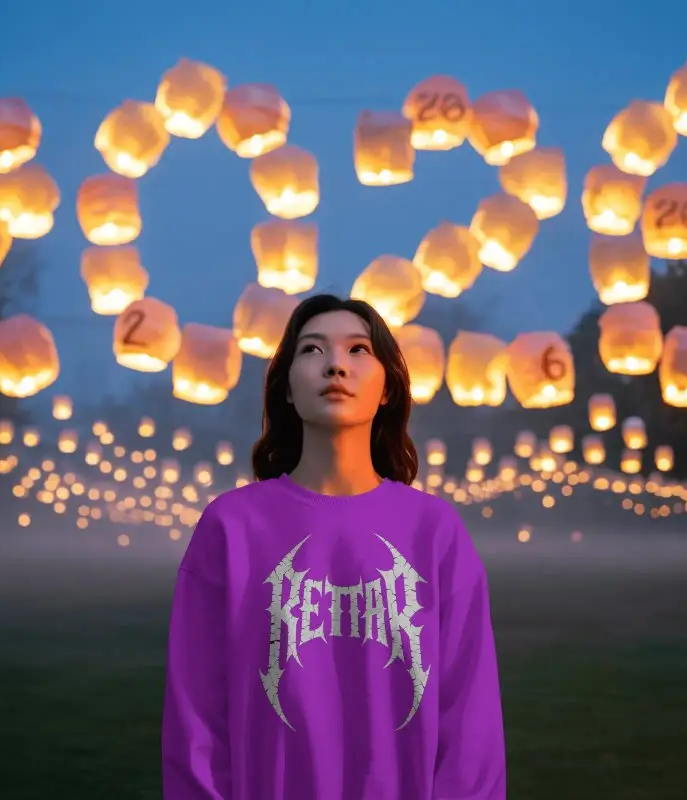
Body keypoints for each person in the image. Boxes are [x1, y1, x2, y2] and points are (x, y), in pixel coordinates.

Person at [161, 294, 506, 799]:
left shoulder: (434, 531)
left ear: (387, 386)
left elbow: (470, 717)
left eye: (359, 350)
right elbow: (196, 716)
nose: (336, 365)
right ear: (287, 390)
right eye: (312, 350)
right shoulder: (232, 527)